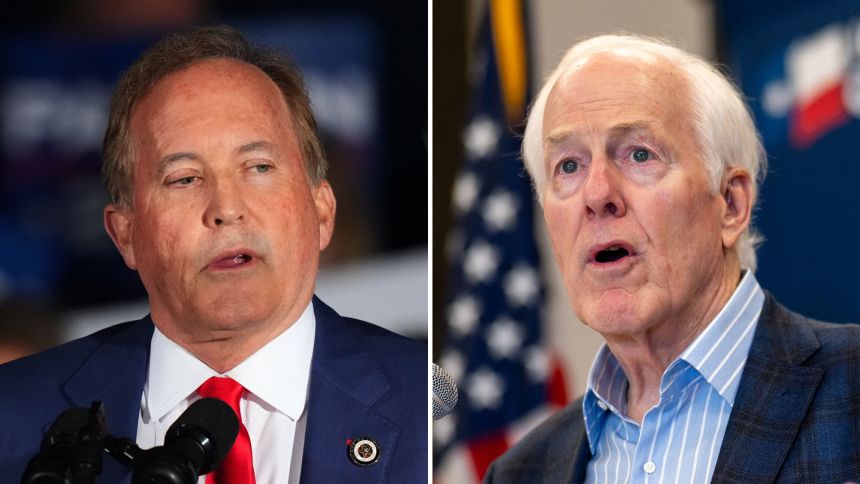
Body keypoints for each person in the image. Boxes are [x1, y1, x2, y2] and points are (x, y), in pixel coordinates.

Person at [0, 26, 426, 483]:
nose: (226, 208)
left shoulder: (425, 406)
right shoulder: (13, 416)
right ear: (125, 235)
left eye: (258, 167)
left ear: (322, 211)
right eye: (184, 178)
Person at [484, 34, 860, 483]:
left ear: (730, 204)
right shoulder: (518, 473)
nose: (597, 194)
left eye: (640, 155)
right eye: (568, 166)